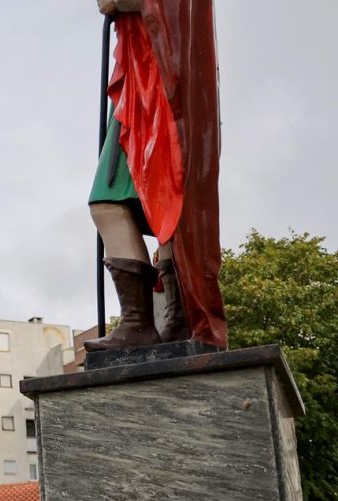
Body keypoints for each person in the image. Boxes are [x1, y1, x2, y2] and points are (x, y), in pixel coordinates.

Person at [84, 0, 223, 351]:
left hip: (164, 84)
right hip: (139, 81)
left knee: (168, 200)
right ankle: (138, 323)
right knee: (109, 202)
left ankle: (173, 319)